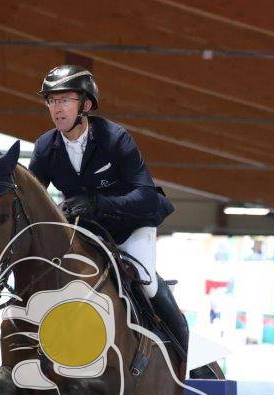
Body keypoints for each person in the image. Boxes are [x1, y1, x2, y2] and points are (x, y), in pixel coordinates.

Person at [27, 65, 190, 358]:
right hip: (86, 231)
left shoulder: (115, 138)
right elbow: (33, 200)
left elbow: (145, 197)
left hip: (130, 227)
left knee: (146, 281)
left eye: (64, 100)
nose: (57, 108)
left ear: (86, 105)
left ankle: (187, 356)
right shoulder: (45, 147)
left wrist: (97, 203)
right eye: (51, 101)